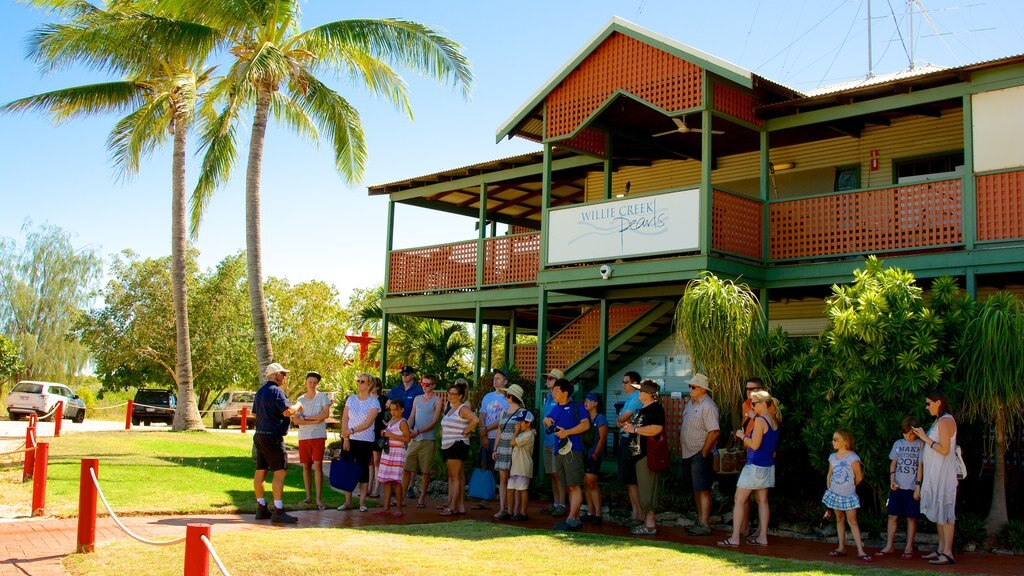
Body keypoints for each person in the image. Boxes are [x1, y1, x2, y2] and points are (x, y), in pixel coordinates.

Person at [720, 390, 780, 547]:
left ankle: (734, 538)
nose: (751, 407)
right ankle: (762, 537)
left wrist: (742, 436)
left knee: (739, 500)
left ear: (762, 404)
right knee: (763, 501)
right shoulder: (773, 420)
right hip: (767, 466)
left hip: (754, 465)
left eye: (754, 404)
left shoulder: (760, 421)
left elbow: (754, 444)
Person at [912, 389, 958, 566]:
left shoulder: (945, 421)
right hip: (936, 474)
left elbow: (944, 449)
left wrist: (924, 438)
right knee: (939, 511)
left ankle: (948, 553)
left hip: (944, 475)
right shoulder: (939, 421)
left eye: (928, 403)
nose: (927, 407)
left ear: (938, 403)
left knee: (945, 513)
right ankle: (941, 549)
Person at [252, 362, 303, 523]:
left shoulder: (260, 392)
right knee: (279, 472)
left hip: (259, 435)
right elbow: (287, 411)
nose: (285, 377)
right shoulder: (277, 392)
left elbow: (254, 414)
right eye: (283, 374)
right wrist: (298, 405)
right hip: (273, 437)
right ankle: (278, 510)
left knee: (260, 471)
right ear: (276, 376)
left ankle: (261, 507)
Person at [543, 378, 591, 532]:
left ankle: (571, 519)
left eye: (556, 391)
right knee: (569, 486)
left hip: (573, 450)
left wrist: (567, 432)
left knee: (575, 485)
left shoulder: (577, 407)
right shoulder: (556, 408)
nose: (553, 393)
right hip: (559, 450)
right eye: (553, 391)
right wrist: (546, 420)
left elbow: (586, 424)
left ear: (565, 392)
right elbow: (548, 420)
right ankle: (574, 519)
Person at [739, 377, 780, 538]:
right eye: (747, 389)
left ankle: (756, 532)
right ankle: (746, 527)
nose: (749, 392)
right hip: (749, 452)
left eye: (753, 389)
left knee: (752, 497)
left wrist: (744, 436)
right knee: (751, 497)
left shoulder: (767, 406)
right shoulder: (745, 405)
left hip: (759, 455)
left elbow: (769, 427)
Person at [877, 416, 923, 559]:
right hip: (897, 486)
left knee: (911, 517)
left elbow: (920, 467)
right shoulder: (898, 443)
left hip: (911, 487)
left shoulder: (921, 445)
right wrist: (892, 479)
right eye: (905, 433)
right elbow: (893, 463)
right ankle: (889, 545)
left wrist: (918, 486)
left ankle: (909, 547)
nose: (908, 436)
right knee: (892, 515)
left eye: (910, 433)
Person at [623, 378, 665, 536]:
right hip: (636, 454)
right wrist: (629, 428)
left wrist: (635, 430)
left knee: (648, 491)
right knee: (641, 489)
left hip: (647, 454)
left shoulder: (656, 409)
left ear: (649, 393)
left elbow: (656, 428)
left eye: (640, 390)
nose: (638, 393)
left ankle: (650, 525)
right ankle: (646, 523)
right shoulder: (641, 409)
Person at [822, 429, 871, 563]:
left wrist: (849, 487)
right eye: (833, 439)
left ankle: (860, 550)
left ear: (845, 442)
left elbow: (859, 477)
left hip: (848, 495)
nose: (833, 442)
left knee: (852, 521)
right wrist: (830, 489)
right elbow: (829, 474)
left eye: (836, 439)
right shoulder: (832, 457)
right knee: (839, 519)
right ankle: (841, 547)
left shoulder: (852, 457)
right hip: (835, 493)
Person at [680, 372, 720, 535]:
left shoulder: (708, 406)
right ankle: (699, 521)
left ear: (703, 389)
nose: (690, 389)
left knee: (703, 488)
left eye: (693, 387)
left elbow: (714, 431)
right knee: (696, 489)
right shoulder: (690, 404)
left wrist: (704, 452)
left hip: (699, 453)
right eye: (690, 386)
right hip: (689, 453)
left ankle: (704, 524)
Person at [339, 373, 379, 512]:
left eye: (362, 381)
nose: (359, 383)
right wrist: (346, 437)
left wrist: (351, 431)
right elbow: (344, 419)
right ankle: (348, 501)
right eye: (358, 381)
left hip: (365, 440)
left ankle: (362, 502)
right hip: (349, 439)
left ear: (369, 385)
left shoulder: (374, 402)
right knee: (347, 469)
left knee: (362, 470)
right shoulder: (351, 399)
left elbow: (368, 423)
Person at [493, 383, 534, 520]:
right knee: (503, 479)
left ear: (514, 397)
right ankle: (503, 508)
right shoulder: (504, 412)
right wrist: (495, 448)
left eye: (508, 395)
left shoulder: (523, 413)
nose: (506, 396)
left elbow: (528, 429)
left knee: (514, 478)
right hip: (503, 447)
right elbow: (499, 430)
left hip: (515, 448)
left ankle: (515, 511)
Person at [403, 373, 444, 508]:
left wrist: (419, 431)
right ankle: (402, 496)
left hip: (428, 440)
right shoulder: (417, 398)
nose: (424, 387)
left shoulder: (437, 401)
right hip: (414, 439)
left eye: (427, 385)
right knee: (407, 468)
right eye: (422, 384)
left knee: (425, 471)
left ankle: (421, 498)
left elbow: (434, 422)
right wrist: (406, 429)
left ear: (433, 386)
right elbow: (411, 417)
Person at [439, 378, 478, 516]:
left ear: (460, 396)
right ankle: (455, 505)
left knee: (455, 477)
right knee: (453, 476)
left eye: (453, 394)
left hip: (457, 444)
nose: (449, 396)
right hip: (448, 445)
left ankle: (453, 507)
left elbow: (475, 419)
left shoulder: (463, 408)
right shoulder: (450, 409)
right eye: (449, 393)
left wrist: (466, 431)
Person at [293, 371, 331, 511]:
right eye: (310, 382)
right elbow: (296, 420)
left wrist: (306, 419)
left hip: (318, 435)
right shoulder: (300, 399)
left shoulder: (322, 397)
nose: (312, 384)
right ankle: (309, 497)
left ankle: (319, 498)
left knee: (318, 465)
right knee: (306, 466)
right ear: (306, 382)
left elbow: (325, 414)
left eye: (315, 382)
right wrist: (315, 419)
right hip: (304, 437)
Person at [475, 368, 510, 508]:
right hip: (486, 436)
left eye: (499, 378)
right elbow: (482, 415)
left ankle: (504, 501)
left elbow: (504, 419)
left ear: (506, 381)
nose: (495, 380)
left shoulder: (509, 397)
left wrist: (486, 429)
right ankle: (485, 497)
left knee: (502, 470)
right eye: (494, 378)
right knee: (485, 465)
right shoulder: (487, 397)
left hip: (500, 438)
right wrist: (483, 433)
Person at [615, 371, 644, 525]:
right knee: (628, 479)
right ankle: (635, 513)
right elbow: (618, 422)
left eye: (626, 382)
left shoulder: (637, 398)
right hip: (625, 439)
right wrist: (621, 422)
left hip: (633, 441)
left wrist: (621, 421)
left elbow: (622, 418)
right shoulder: (629, 399)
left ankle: (639, 514)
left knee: (632, 479)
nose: (623, 385)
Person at [375, 399, 412, 517]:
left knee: (396, 481)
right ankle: (386, 508)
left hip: (397, 453)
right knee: (387, 481)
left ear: (402, 410)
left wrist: (391, 435)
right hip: (388, 452)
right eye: (391, 409)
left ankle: (399, 508)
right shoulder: (391, 420)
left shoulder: (403, 422)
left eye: (396, 409)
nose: (393, 412)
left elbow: (407, 438)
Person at [539, 368, 568, 517]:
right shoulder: (548, 397)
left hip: (558, 441)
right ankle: (556, 503)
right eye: (547, 378)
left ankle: (562, 504)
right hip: (547, 441)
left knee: (558, 474)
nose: (547, 380)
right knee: (551, 474)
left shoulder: (563, 398)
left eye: (550, 378)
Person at [506, 384, 536, 522]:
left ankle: (523, 512)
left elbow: (512, 442)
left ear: (528, 423)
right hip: (516, 467)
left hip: (523, 467)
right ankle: (511, 511)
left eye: (521, 422)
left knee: (522, 490)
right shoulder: (525, 434)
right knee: (511, 489)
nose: (519, 424)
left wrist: (516, 431)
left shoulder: (528, 435)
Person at [581, 392, 608, 526]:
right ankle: (590, 511)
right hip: (584, 453)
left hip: (593, 454)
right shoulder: (585, 418)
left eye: (589, 400)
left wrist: (596, 453)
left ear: (596, 403)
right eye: (585, 400)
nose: (586, 402)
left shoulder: (601, 418)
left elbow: (602, 438)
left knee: (592, 482)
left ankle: (598, 513)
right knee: (585, 482)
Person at [368, 377, 387, 498]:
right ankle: (368, 487)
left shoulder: (383, 399)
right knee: (369, 462)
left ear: (378, 387)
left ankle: (377, 488)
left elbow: (393, 410)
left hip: (378, 432)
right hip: (365, 432)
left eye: (374, 385)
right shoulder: (365, 399)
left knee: (376, 461)